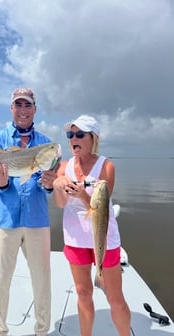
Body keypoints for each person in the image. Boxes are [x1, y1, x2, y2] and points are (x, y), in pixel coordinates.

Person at [0, 88, 57, 336]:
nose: (23, 110)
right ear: (11, 109)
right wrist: (2, 183)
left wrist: (50, 184)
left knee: (42, 281)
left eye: (28, 105)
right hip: (4, 219)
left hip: (37, 220)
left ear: (35, 109)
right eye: (18, 105)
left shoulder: (47, 145)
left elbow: (48, 183)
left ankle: (42, 330)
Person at [52, 115, 131, 336]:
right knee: (83, 292)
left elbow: (101, 207)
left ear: (92, 138)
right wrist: (59, 187)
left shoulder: (106, 166)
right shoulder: (63, 166)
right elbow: (60, 205)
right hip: (75, 238)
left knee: (115, 298)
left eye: (79, 134)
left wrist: (83, 195)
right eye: (70, 135)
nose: (73, 139)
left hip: (103, 237)